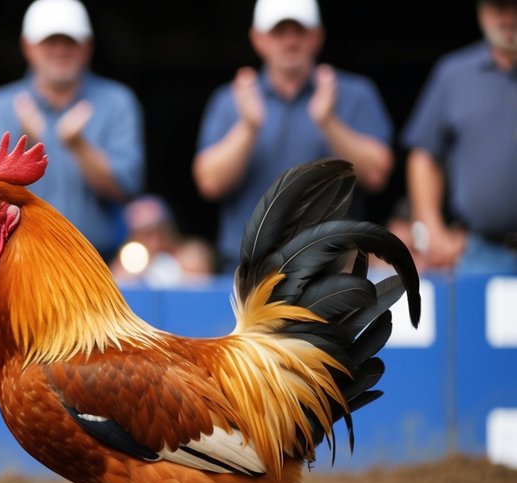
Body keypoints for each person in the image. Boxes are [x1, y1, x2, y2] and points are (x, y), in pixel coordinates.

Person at [193, 0, 394, 276]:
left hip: (331, 273)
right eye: (279, 32)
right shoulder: (230, 100)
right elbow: (209, 182)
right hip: (251, 272)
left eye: (299, 31)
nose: (290, 41)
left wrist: (328, 122)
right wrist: (248, 127)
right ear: (258, 39)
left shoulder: (353, 93)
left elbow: (378, 174)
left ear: (317, 37)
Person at [0, 0, 145, 260]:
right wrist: (26, 144)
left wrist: (80, 147)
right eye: (50, 42)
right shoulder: (0, 107)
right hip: (21, 261)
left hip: (100, 261)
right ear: (27, 47)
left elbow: (127, 187)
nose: (60, 50)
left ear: (87, 47)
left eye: (70, 42)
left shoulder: (117, 101)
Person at [401, 0, 517, 275]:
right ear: (481, 11)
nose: (508, 18)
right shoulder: (454, 74)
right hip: (480, 252)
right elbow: (424, 156)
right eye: (499, 8)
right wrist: (431, 229)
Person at [110, 194, 216, 288]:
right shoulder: (127, 264)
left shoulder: (190, 255)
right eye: (145, 234)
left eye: (160, 231)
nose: (155, 240)